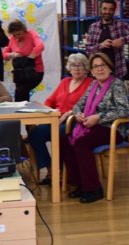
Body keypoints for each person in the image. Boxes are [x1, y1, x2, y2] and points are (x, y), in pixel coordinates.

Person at [61, 53, 129, 204]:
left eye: (103, 65)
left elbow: (124, 110)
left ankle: (93, 188)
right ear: (91, 71)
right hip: (91, 126)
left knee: (81, 143)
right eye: (96, 67)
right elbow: (78, 105)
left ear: (109, 67)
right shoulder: (93, 85)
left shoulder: (116, 85)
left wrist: (99, 117)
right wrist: (79, 114)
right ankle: (79, 184)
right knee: (66, 140)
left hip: (111, 129)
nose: (100, 69)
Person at [28, 53, 93, 185]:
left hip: (75, 122)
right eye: (73, 65)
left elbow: (87, 107)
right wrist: (51, 112)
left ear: (86, 68)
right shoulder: (65, 82)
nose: (76, 68)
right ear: (69, 67)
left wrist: (67, 114)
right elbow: (49, 101)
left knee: (59, 135)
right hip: (56, 119)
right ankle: (51, 171)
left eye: (80, 65)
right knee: (35, 134)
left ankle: (66, 172)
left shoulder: (90, 84)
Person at [85, 0, 129, 79]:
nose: (107, 12)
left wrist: (122, 40)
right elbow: (88, 50)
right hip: (98, 72)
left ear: (114, 10)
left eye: (110, 9)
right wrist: (101, 46)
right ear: (100, 9)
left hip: (117, 70)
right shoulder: (93, 27)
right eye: (105, 9)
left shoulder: (120, 25)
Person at [2, 20, 45, 102]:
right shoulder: (12, 39)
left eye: (19, 34)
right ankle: (22, 111)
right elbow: (4, 55)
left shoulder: (32, 34)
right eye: (14, 35)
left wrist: (30, 57)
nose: (17, 37)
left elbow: (40, 46)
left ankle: (20, 111)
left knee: (21, 91)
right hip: (20, 74)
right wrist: (13, 54)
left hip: (34, 71)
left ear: (24, 30)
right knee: (20, 92)